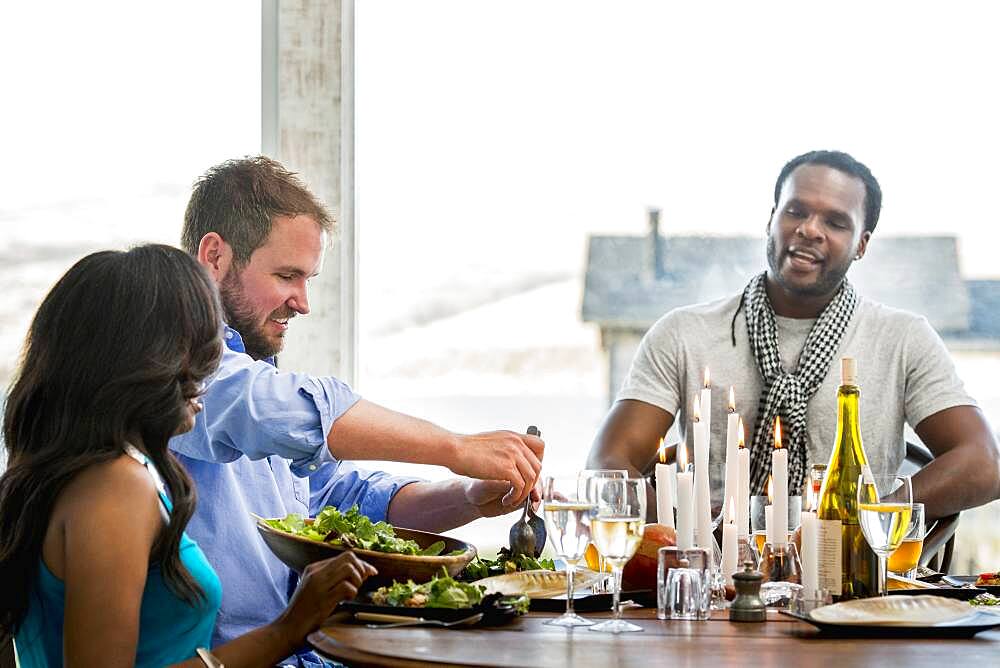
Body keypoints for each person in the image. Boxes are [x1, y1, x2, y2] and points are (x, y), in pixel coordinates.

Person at [171, 156, 544, 663]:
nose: (303, 302)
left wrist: (472, 496)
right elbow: (269, 408)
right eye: (286, 275)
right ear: (214, 255)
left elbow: (344, 500)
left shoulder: (254, 367)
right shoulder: (179, 364)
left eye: (309, 279)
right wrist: (454, 448)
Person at [0, 245, 377, 667]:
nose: (208, 370)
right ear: (135, 359)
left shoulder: (77, 473)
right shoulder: (115, 486)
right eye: (195, 348)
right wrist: (287, 630)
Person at [587, 150, 1000, 521]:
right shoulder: (683, 333)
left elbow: (984, 464)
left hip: (849, 582)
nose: (810, 229)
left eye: (836, 222)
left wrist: (867, 519)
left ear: (861, 244)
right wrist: (680, 532)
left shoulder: (903, 338)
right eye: (795, 211)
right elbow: (609, 461)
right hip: (709, 577)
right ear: (771, 220)